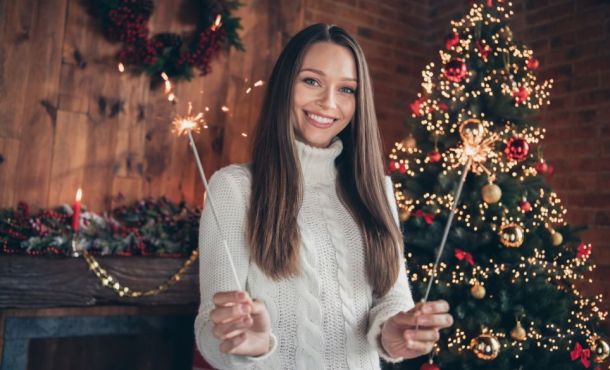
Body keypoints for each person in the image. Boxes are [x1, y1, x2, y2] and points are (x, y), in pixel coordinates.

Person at [194, 23, 453, 369]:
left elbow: (392, 299)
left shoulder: (378, 190)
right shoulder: (234, 188)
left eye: (346, 89)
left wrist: (394, 331)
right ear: (285, 85)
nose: (329, 103)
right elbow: (209, 325)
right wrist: (242, 345)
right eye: (312, 81)